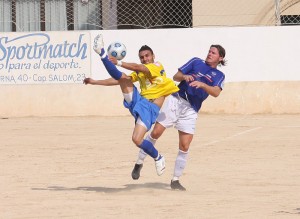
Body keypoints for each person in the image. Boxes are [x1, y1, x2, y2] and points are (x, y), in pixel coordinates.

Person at [131, 44, 226, 191]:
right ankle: (139, 162)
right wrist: (185, 76)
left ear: (220, 58)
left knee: (184, 146)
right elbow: (176, 76)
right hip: (176, 101)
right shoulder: (196, 62)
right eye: (209, 51)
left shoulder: (219, 76)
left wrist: (202, 85)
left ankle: (175, 180)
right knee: (156, 132)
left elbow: (216, 92)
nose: (209, 54)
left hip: (191, 110)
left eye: (213, 53)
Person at [83, 34, 179, 175]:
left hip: (150, 108)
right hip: (139, 102)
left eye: (147, 56)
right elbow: (119, 79)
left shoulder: (157, 66)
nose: (145, 59)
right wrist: (95, 81)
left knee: (136, 139)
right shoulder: (139, 73)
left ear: (153, 56)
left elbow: (141, 68)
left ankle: (158, 157)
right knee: (123, 78)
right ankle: (102, 53)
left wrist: (119, 62)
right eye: (142, 57)